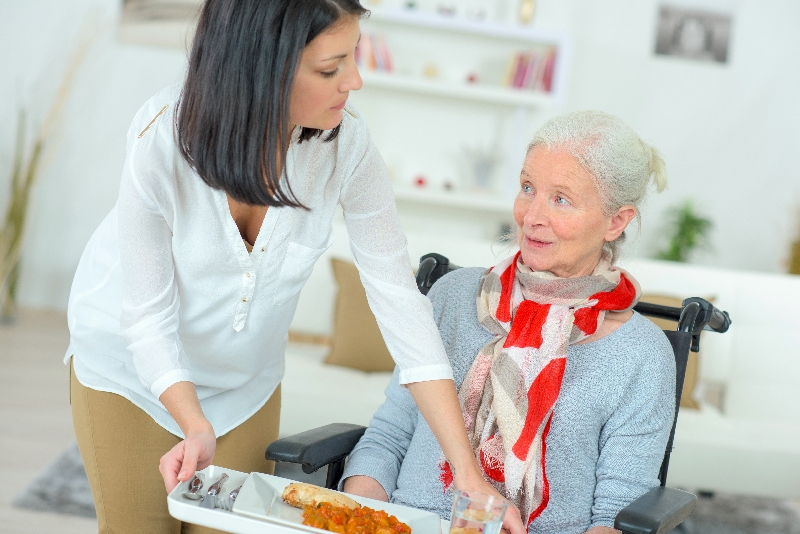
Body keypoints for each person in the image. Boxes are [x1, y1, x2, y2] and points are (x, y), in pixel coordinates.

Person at [64, 1, 521, 533]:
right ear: (264, 69)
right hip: (132, 375)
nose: (354, 81)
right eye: (330, 68)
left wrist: (467, 472)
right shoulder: (161, 137)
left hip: (244, 386)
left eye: (353, 57)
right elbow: (146, 318)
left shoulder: (346, 147)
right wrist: (192, 423)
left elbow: (401, 303)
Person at [340, 111, 675, 534]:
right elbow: (390, 435)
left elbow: (616, 513)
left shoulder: (641, 355)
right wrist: (360, 514)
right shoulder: (452, 297)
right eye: (527, 188)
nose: (532, 216)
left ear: (616, 221)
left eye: (561, 199)